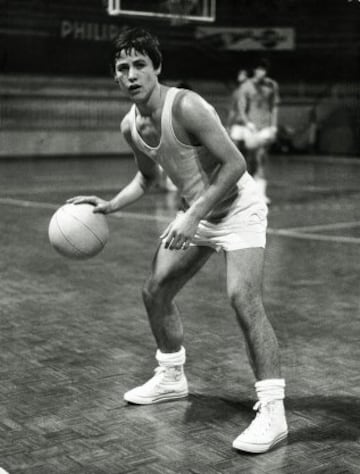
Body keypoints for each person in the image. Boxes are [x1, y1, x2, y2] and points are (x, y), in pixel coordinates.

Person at [67, 28, 287, 454]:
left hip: (238, 209)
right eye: (122, 68)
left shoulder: (186, 105)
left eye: (139, 65)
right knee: (155, 290)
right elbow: (147, 177)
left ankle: (273, 410)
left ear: (157, 67)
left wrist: (192, 214)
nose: (131, 74)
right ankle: (171, 376)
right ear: (115, 77)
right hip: (197, 214)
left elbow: (235, 163)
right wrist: (111, 205)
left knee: (243, 297)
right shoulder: (131, 125)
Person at [229, 59, 280, 204]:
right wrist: (248, 123)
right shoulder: (246, 86)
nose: (260, 73)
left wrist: (274, 126)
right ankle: (244, 191)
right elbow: (241, 108)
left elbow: (274, 107)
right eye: (258, 70)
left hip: (265, 128)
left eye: (263, 70)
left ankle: (261, 194)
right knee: (248, 160)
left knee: (261, 157)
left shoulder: (272, 85)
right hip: (250, 128)